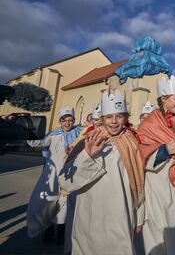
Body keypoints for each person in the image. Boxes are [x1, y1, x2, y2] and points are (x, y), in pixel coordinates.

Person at [58, 89, 145, 255]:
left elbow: (139, 180)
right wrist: (87, 156)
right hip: (91, 217)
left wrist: (139, 216)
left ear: (125, 117)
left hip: (121, 216)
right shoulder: (88, 140)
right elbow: (65, 181)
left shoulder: (132, 142)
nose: (113, 122)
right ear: (102, 118)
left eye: (119, 116)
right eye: (109, 117)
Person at [137, 75, 175, 255]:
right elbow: (141, 153)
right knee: (161, 232)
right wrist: (164, 150)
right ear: (163, 99)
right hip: (159, 187)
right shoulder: (149, 123)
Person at [26, 107, 82, 245]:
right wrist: (28, 132)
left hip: (69, 175)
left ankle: (62, 234)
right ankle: (48, 232)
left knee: (65, 205)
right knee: (49, 203)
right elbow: (38, 143)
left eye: (70, 120)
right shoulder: (53, 135)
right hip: (52, 177)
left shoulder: (79, 134)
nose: (68, 123)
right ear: (60, 121)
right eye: (65, 120)